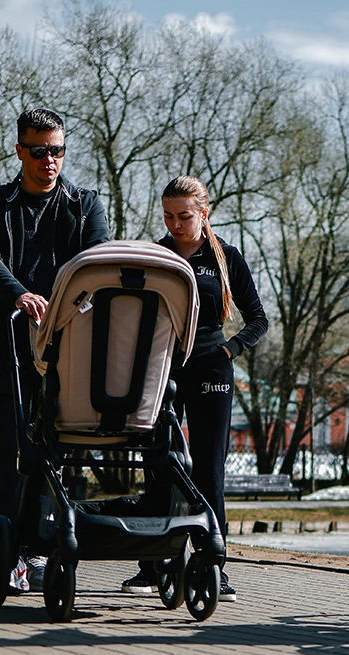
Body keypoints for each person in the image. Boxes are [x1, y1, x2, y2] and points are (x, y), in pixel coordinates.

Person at [0, 108, 110, 588]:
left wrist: (63, 306)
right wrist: (20, 294)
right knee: (9, 451)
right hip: (8, 341)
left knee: (58, 447)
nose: (50, 160)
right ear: (19, 151)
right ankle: (9, 551)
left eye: (57, 150)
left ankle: (47, 547)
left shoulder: (85, 204)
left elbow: (97, 262)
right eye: (39, 151)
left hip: (66, 344)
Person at [119, 175, 268, 601]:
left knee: (209, 473)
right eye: (168, 216)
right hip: (162, 369)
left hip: (210, 370)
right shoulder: (157, 254)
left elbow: (258, 318)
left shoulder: (227, 259)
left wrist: (229, 350)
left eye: (185, 216)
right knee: (158, 465)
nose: (176, 224)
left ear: (205, 213)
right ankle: (150, 566)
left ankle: (213, 568)